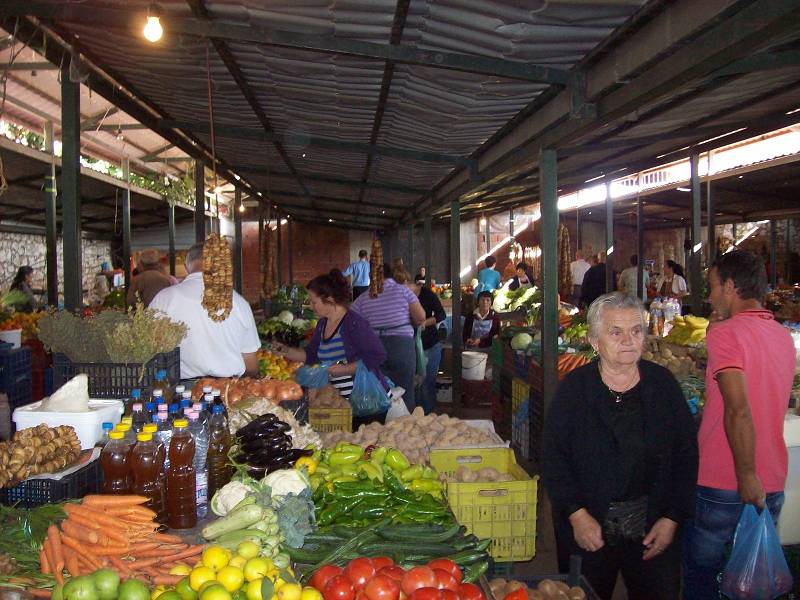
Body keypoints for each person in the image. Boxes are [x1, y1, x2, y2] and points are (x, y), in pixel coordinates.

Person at [542, 293, 697, 600]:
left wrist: (672, 518)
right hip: (589, 528)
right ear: (595, 341)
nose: (628, 340)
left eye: (636, 330)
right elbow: (553, 458)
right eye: (616, 332)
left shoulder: (663, 385)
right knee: (584, 593)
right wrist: (575, 513)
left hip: (652, 528)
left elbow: (686, 455)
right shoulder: (574, 391)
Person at [682, 250, 795, 599]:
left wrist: (746, 475)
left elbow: (738, 409)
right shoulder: (782, 336)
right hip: (773, 477)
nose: (711, 295)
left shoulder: (725, 334)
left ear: (731, 286)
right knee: (750, 581)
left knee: (703, 577)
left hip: (725, 479)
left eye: (714, 286)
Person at [273, 270, 388, 414]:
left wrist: (346, 369)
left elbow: (378, 355)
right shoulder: (322, 324)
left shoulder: (353, 323)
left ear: (329, 299)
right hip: (338, 403)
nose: (311, 306)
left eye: (314, 302)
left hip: (364, 400)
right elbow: (311, 355)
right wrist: (287, 351)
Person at [149, 242, 260, 380]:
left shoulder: (163, 298)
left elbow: (148, 351)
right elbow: (250, 365)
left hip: (180, 392)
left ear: (186, 267)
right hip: (228, 391)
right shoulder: (239, 303)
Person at [352, 261, 425, 411]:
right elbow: (420, 317)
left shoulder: (364, 296)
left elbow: (351, 323)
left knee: (379, 392)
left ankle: (380, 429)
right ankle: (405, 428)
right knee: (405, 391)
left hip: (374, 347)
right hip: (401, 347)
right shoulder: (403, 291)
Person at [411, 278, 446, 413]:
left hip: (430, 344)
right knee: (415, 385)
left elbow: (441, 315)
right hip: (411, 347)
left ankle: (428, 415)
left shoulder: (427, 294)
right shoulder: (400, 296)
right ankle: (417, 416)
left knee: (427, 383)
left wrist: (424, 323)